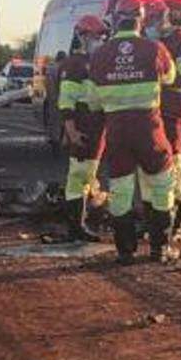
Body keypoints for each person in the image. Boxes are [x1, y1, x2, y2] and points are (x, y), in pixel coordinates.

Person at [88, 0, 180, 264]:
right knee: (162, 185)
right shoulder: (155, 49)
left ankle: (125, 252)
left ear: (116, 20)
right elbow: (171, 77)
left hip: (116, 131)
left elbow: (93, 101)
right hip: (149, 128)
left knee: (120, 189)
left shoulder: (100, 55)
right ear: (141, 19)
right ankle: (160, 249)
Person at [145, 2, 181, 244]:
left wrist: (160, 72)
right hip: (152, 116)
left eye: (155, 19)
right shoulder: (150, 41)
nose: (151, 25)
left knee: (174, 169)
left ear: (166, 17)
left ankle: (178, 224)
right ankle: (155, 223)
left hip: (172, 116)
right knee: (150, 172)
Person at [56, 15, 111, 241]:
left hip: (96, 126)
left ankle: (84, 221)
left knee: (86, 176)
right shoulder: (75, 64)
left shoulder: (95, 62)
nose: (101, 40)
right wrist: (71, 131)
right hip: (84, 127)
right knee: (79, 176)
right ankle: (77, 227)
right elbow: (66, 101)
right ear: (83, 36)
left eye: (102, 36)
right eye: (97, 36)